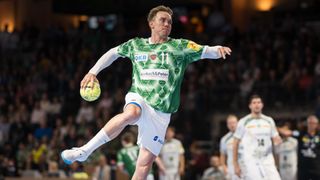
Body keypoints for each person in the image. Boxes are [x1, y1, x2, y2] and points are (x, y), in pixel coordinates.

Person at [61, 5, 231, 180]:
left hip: (161, 112)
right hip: (139, 97)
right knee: (132, 113)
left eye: (170, 22)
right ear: (151, 23)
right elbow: (113, 53)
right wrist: (92, 72)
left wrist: (217, 50)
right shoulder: (136, 45)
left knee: (143, 166)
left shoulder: (179, 47)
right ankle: (84, 151)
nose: (167, 24)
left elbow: (205, 50)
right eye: (162, 20)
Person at [232, 94, 282, 180]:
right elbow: (235, 143)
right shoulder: (243, 122)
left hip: (267, 159)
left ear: (262, 105)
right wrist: (236, 164)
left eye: (259, 102)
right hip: (251, 160)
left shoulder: (269, 120)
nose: (257, 105)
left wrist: (278, 140)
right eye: (254, 103)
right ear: (250, 106)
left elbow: (275, 138)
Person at [278, 115, 320, 180]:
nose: (311, 125)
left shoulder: (318, 136)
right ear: (307, 123)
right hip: (303, 169)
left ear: (317, 125)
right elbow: (288, 133)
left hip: (316, 169)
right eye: (310, 123)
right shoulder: (301, 134)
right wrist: (273, 126)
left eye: (314, 123)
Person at [219, 114, 241, 180]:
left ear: (238, 123)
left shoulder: (245, 136)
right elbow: (222, 155)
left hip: (245, 166)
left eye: (234, 123)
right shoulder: (224, 139)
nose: (232, 125)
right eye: (230, 123)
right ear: (227, 125)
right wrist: (223, 166)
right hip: (232, 168)